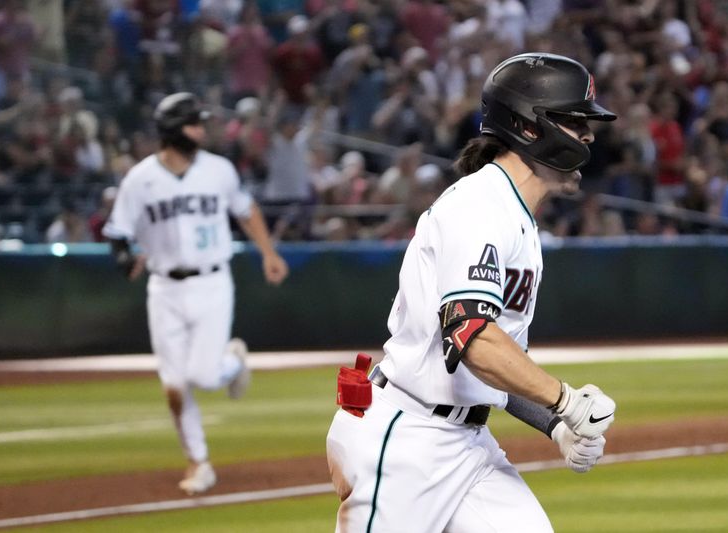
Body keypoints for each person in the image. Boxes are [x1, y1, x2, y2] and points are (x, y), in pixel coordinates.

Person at [326, 53, 618, 532]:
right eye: (574, 122)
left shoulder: (513, 214)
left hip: (466, 443)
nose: (587, 136)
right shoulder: (480, 207)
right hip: (407, 439)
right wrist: (564, 400)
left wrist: (553, 423)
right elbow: (472, 336)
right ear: (530, 127)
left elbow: (498, 362)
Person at [102, 92, 289, 495]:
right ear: (173, 129)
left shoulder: (218, 170)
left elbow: (245, 210)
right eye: (193, 123)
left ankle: (232, 365)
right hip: (164, 287)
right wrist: (124, 259)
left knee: (203, 375)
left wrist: (268, 253)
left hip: (212, 282)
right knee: (173, 383)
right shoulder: (141, 178)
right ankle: (198, 462)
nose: (201, 129)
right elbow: (118, 233)